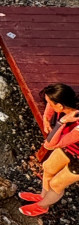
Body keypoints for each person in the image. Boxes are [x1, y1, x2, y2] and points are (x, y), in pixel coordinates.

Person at [19, 86, 79, 216]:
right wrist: (46, 118)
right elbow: (51, 106)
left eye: (50, 102)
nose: (47, 104)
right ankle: (43, 196)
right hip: (71, 147)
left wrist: (61, 122)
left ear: (60, 106)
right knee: (48, 167)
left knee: (56, 184)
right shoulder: (66, 105)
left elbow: (50, 144)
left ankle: (43, 206)